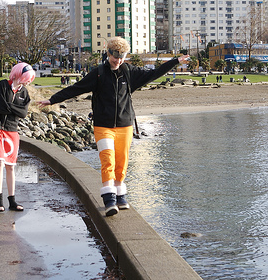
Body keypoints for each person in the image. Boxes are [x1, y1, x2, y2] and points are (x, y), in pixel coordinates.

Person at [38, 36, 190, 217]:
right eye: (114, 57)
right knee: (108, 160)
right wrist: (52, 100)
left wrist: (174, 61)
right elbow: (76, 88)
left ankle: (120, 194)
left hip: (125, 125)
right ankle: (109, 199)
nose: (117, 61)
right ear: (108, 53)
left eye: (121, 58)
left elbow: (153, 74)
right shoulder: (99, 73)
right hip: (103, 125)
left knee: (122, 162)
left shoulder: (129, 72)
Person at [0, 62, 35, 212]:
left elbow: (23, 113)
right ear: (19, 75)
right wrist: (15, 109)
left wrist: (9, 107)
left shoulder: (24, 93)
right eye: (26, 78)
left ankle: (12, 200)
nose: (28, 82)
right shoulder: (3, 85)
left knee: (11, 167)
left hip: (13, 131)